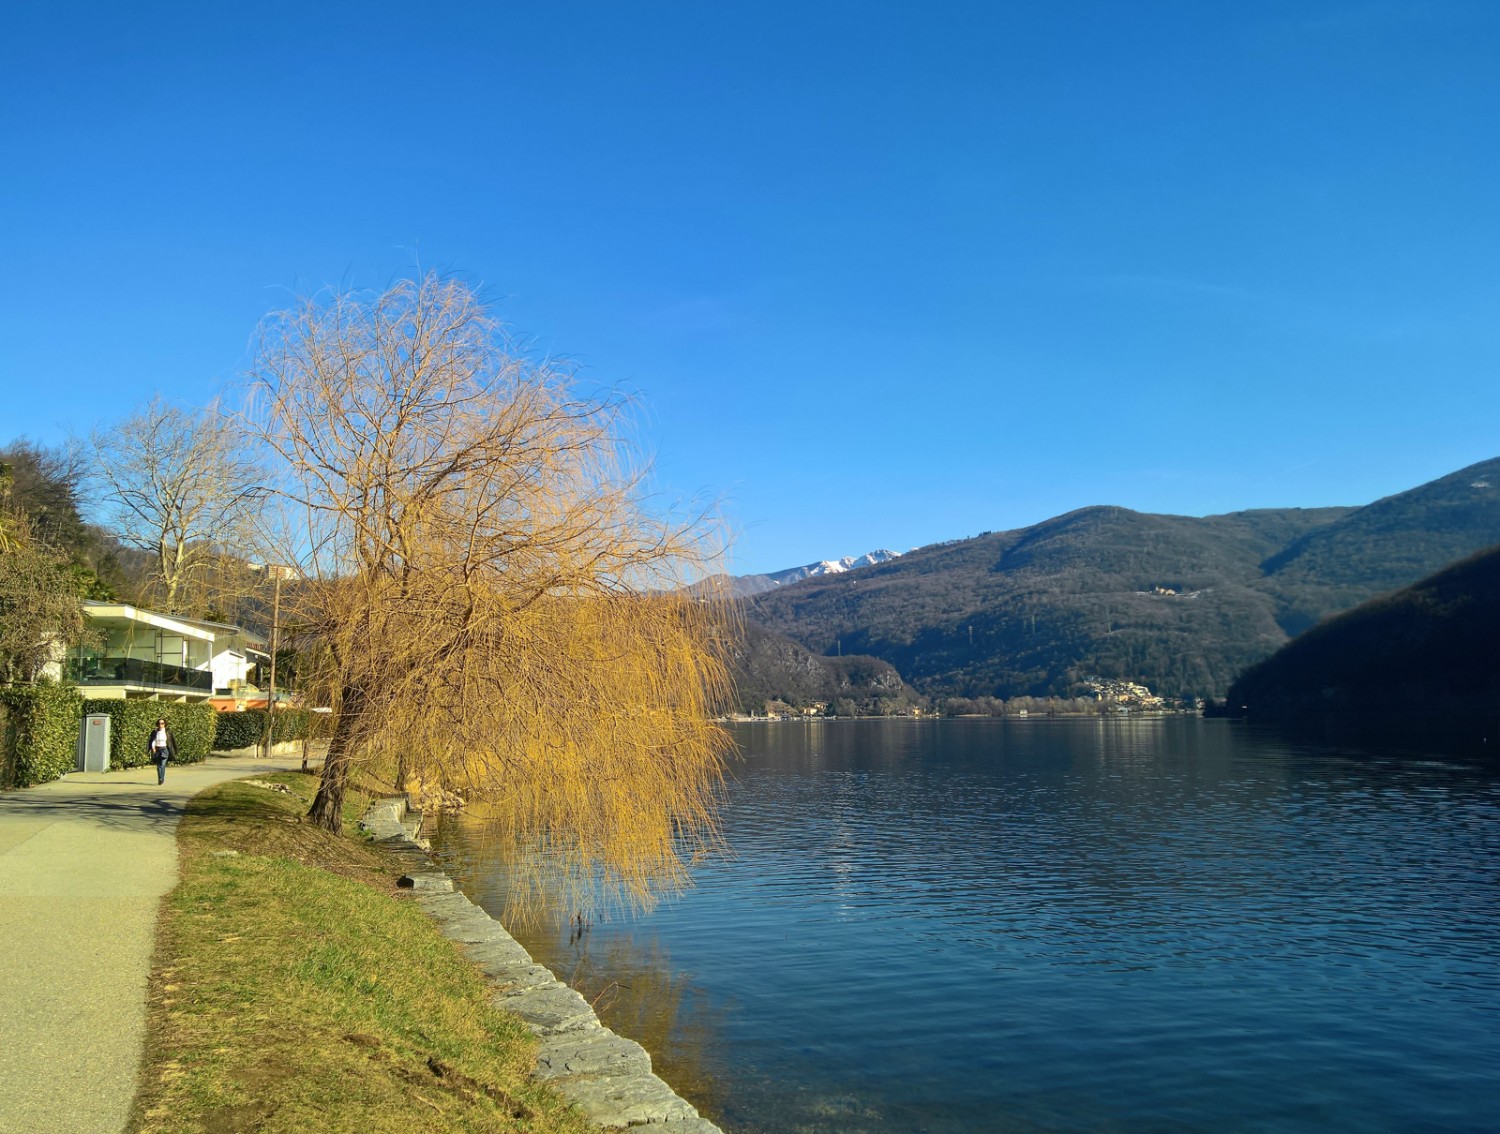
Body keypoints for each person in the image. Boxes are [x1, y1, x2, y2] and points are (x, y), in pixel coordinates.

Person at [147, 717, 176, 784]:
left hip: (164, 750)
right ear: (157, 724)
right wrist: (153, 748)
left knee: (162, 765)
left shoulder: (167, 732)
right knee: (158, 766)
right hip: (157, 750)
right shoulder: (155, 732)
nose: (161, 725)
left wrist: (174, 749)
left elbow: (172, 741)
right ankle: (160, 778)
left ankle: (161, 779)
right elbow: (153, 740)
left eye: (162, 723)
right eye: (159, 723)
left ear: (165, 724)